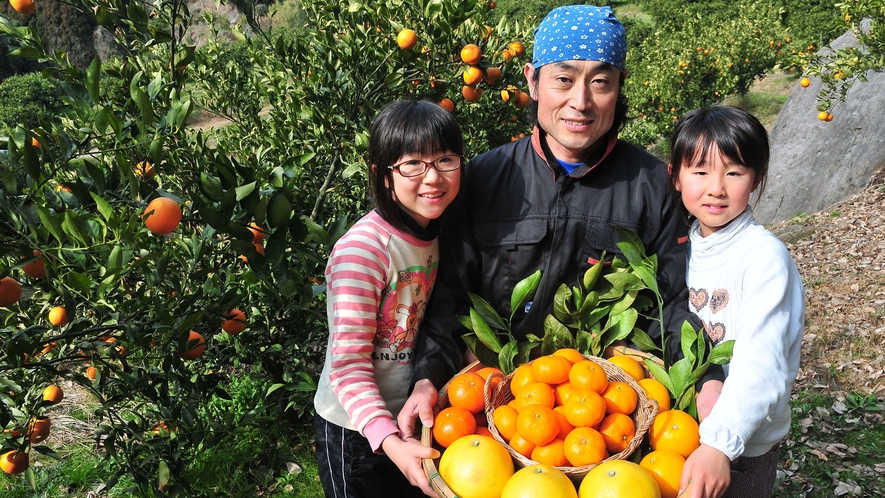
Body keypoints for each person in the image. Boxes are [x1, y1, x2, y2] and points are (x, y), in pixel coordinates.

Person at [398, 4, 723, 444]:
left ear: (620, 87)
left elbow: (671, 301)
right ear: (533, 81)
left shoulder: (652, 187)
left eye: (601, 82)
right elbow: (450, 296)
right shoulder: (484, 179)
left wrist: (707, 378)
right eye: (564, 79)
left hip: (608, 420)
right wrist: (426, 376)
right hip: (493, 411)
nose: (581, 101)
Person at [313, 99, 464, 498]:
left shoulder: (435, 230)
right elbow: (346, 367)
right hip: (355, 431)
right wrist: (389, 439)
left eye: (445, 160)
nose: (432, 178)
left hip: (408, 418)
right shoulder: (364, 251)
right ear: (383, 176)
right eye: (413, 163)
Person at [667, 106, 805, 498]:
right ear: (675, 176)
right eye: (700, 171)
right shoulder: (679, 247)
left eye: (733, 172)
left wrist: (719, 444)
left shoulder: (763, 258)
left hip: (739, 447)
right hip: (684, 433)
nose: (716, 188)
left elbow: (763, 363)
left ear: (756, 179)